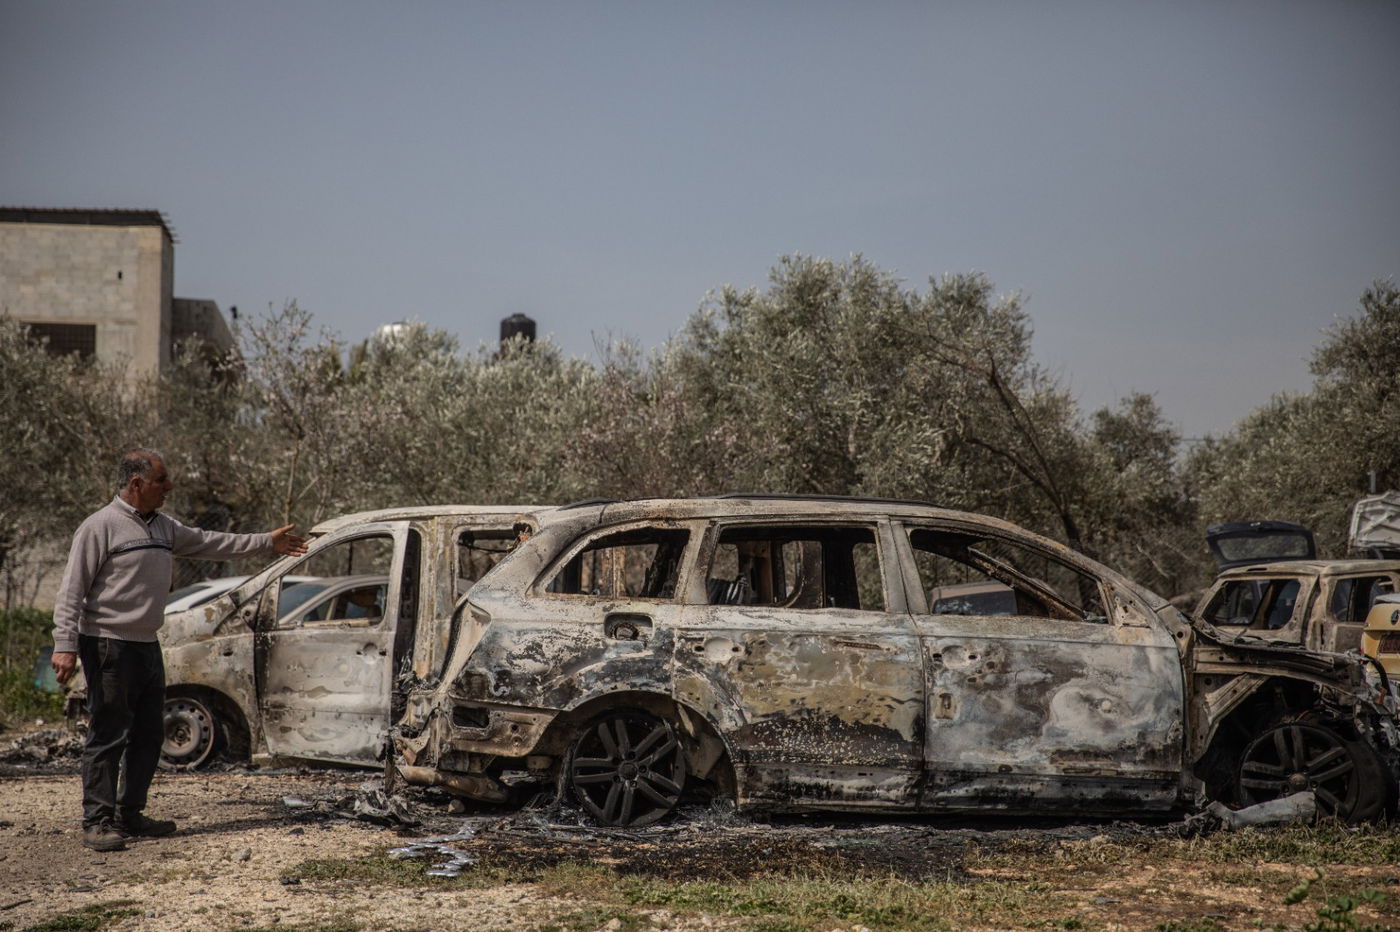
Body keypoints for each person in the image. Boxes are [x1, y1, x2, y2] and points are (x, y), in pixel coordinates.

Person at [51, 449, 308, 852]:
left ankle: (129, 814)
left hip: (147, 645)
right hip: (107, 645)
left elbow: (213, 543)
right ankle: (97, 822)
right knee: (108, 734)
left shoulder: (164, 528)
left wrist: (266, 542)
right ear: (137, 484)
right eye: (161, 480)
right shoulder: (99, 527)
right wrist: (64, 645)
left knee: (149, 733)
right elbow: (71, 591)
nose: (169, 487)